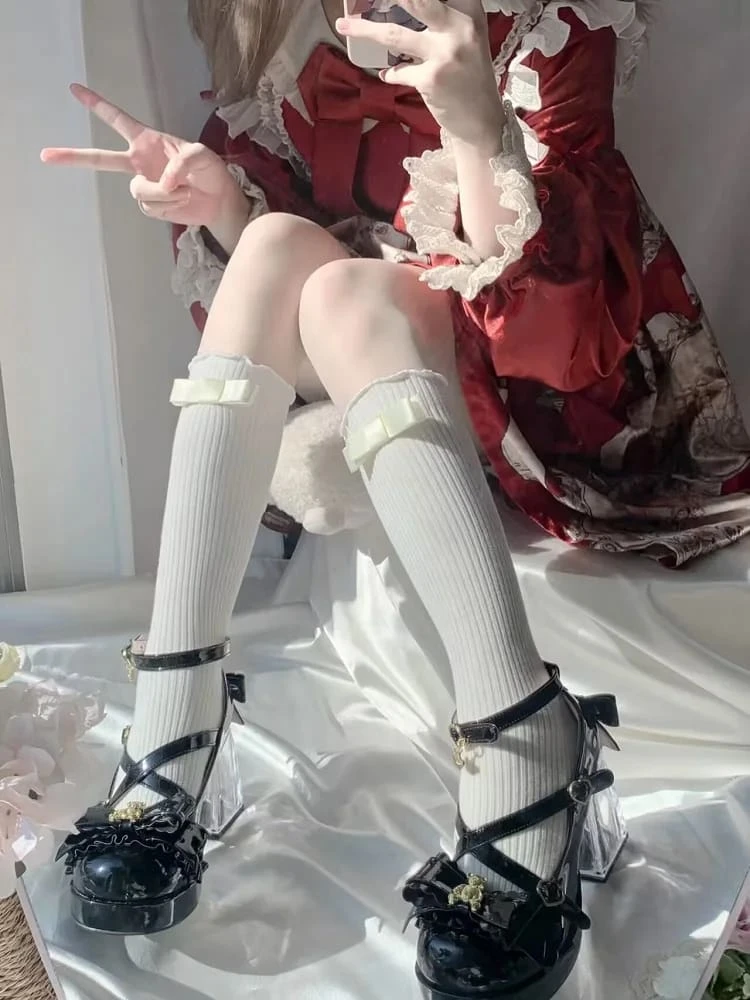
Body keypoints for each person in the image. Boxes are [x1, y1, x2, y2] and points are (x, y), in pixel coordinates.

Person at [40, 1, 749, 996]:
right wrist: (222, 206)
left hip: (550, 401)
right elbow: (296, 248)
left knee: (347, 292)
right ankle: (178, 706)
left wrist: (477, 126)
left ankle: (520, 730)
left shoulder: (546, 25)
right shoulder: (295, 27)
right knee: (275, 245)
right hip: (385, 375)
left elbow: (566, 339)